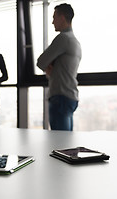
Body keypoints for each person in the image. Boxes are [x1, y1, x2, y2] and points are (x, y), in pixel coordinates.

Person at [37, 3, 82, 131]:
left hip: (60, 96)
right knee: (66, 141)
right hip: (70, 95)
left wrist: (49, 67)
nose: (52, 22)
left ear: (62, 18)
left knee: (60, 143)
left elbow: (41, 62)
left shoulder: (63, 38)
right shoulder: (75, 41)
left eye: (54, 17)